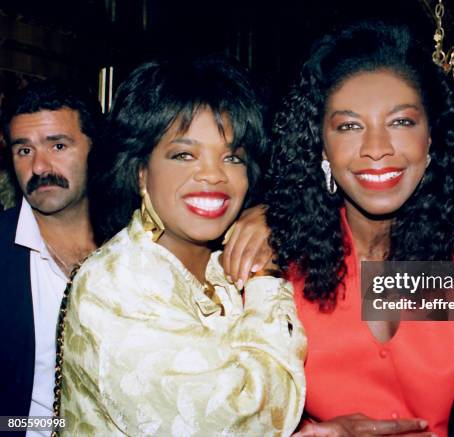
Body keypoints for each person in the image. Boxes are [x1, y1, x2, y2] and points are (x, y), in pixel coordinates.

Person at [223, 22, 454, 436]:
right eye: (349, 126)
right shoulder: (279, 264)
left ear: (431, 136)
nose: (377, 148)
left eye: (401, 122)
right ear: (320, 144)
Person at [58, 57, 306, 436]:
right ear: (140, 170)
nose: (213, 174)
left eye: (232, 157)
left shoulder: (223, 264)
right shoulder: (117, 283)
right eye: (183, 154)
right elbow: (240, 421)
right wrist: (264, 278)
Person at [0, 80, 100, 435]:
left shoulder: (139, 243)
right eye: (23, 151)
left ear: (95, 149)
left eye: (58, 145)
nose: (40, 167)